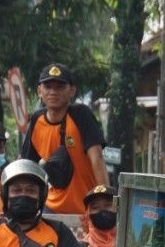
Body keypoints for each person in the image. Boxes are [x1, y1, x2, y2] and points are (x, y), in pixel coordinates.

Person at [19, 63, 109, 214]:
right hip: (51, 207)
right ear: (39, 91)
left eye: (60, 87)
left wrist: (104, 200)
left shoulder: (81, 115)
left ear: (72, 91)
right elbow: (27, 164)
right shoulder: (37, 120)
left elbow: (97, 157)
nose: (53, 92)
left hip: (86, 208)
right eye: (48, 87)